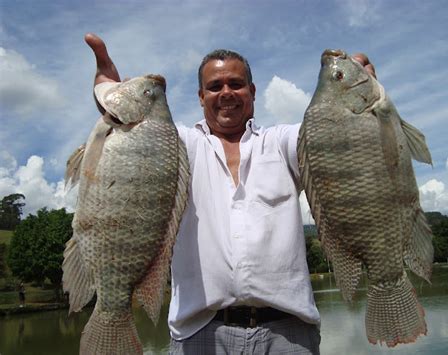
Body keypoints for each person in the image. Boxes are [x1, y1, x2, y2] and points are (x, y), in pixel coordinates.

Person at [85, 33, 376, 354]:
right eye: (214, 86)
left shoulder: (281, 143)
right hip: (199, 333)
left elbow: (329, 132)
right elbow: (135, 131)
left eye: (236, 84)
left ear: (252, 91)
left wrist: (353, 94)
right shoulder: (176, 145)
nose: (226, 93)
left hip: (289, 334)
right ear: (200, 96)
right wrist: (107, 95)